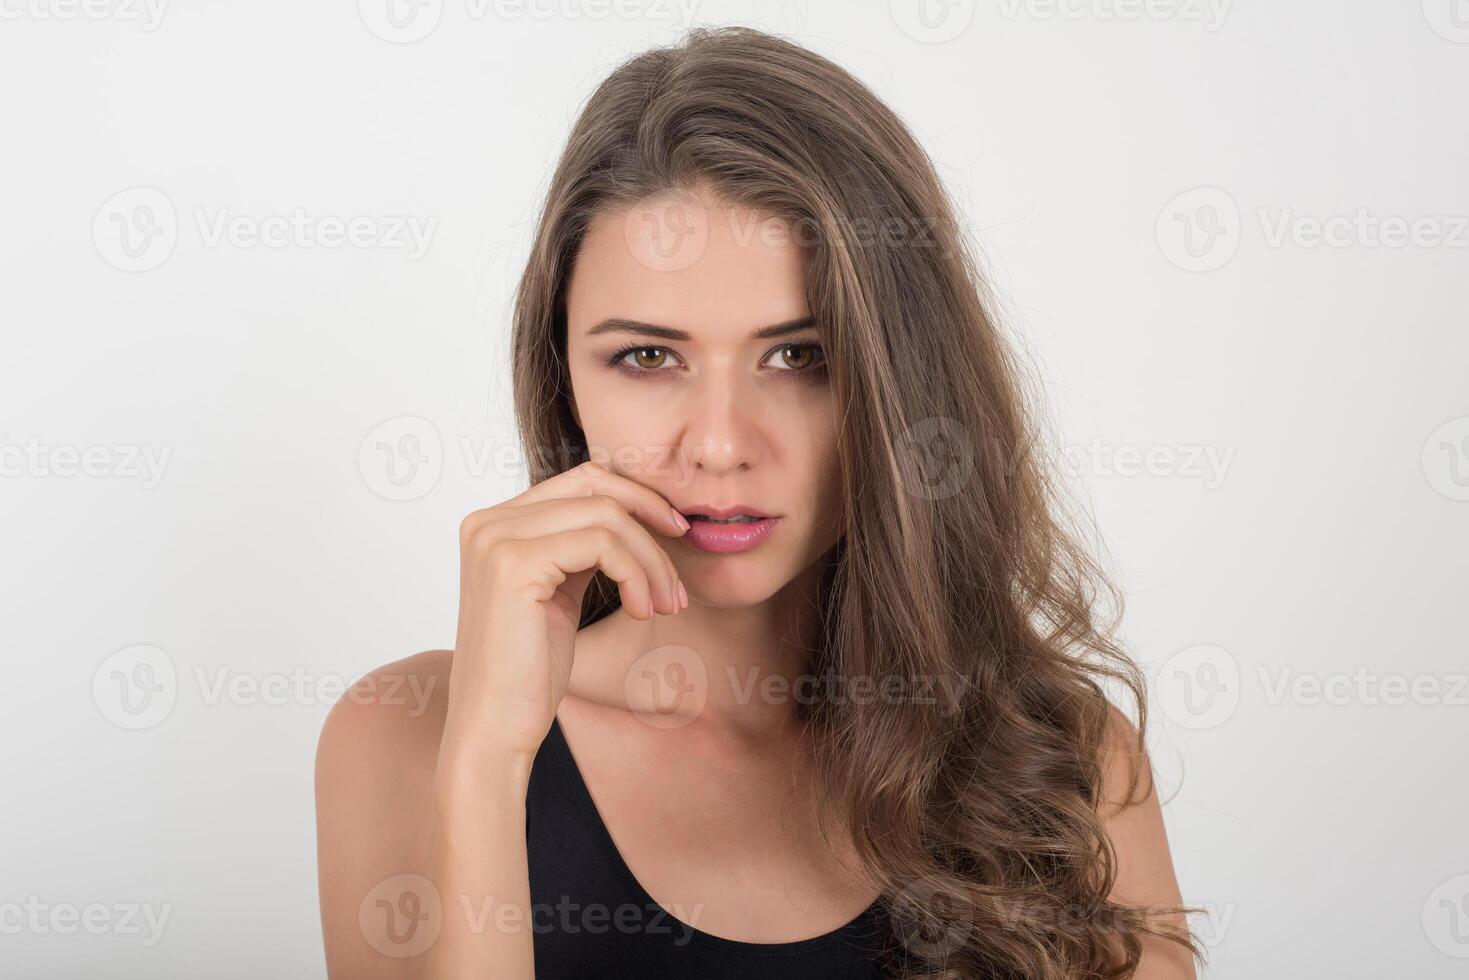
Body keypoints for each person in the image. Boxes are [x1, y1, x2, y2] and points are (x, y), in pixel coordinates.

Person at [316, 25, 1202, 980]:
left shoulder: (1060, 762)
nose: (721, 444)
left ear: (900, 382)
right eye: (648, 358)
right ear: (560, 373)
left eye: (799, 357)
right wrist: (488, 759)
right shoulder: (411, 732)